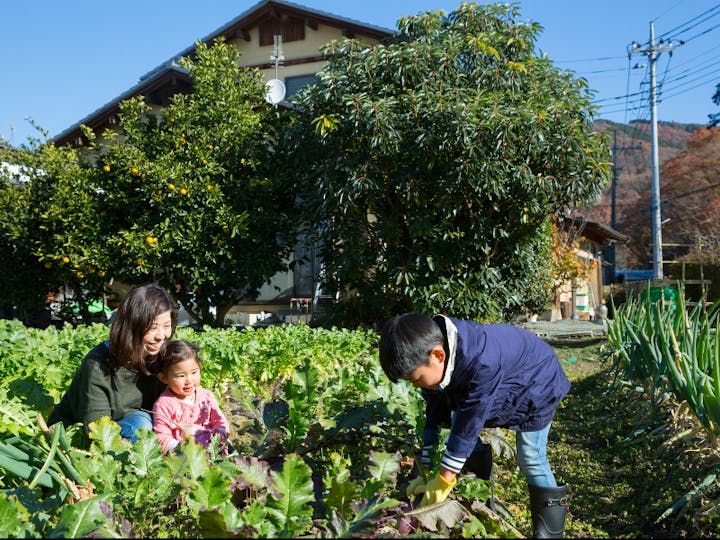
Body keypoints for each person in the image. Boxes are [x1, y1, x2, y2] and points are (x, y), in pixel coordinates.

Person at [378, 313, 570, 539]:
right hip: (504, 379)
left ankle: (549, 534)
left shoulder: (480, 362)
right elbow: (436, 413)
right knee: (461, 433)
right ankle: (482, 500)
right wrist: (426, 465)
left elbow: (469, 421)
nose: (416, 385)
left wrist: (443, 479)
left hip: (538, 381)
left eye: (416, 379)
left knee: (531, 457)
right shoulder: (433, 348)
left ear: (438, 355)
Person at [47, 283, 176, 443]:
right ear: (132, 325)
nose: (161, 336)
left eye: (166, 326)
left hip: (138, 427)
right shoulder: (98, 365)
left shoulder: (161, 355)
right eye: (153, 327)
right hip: (81, 438)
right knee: (142, 424)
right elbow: (98, 431)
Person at [152, 339, 230, 454]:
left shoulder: (207, 396)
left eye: (194, 372)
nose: (189, 380)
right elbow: (162, 437)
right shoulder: (164, 404)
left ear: (200, 367)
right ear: (163, 378)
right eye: (181, 376)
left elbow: (220, 421)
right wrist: (182, 450)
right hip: (184, 456)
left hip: (213, 449)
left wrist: (219, 436)